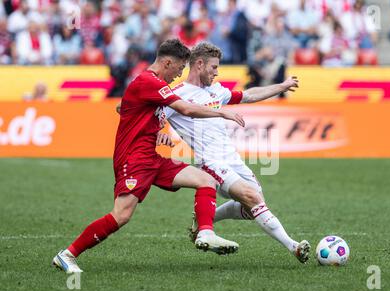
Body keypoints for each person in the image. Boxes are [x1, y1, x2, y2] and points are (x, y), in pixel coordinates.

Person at [52, 39, 246, 273]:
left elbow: (132, 108)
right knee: (121, 215)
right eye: (179, 68)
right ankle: (67, 254)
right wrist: (221, 112)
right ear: (167, 62)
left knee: (206, 180)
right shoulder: (148, 81)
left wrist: (158, 132)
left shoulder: (151, 84)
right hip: (133, 160)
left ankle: (206, 233)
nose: (179, 74)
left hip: (152, 157)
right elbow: (184, 108)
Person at [163, 42, 311, 264]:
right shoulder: (177, 95)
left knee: (253, 207)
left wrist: (280, 86)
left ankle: (206, 216)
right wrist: (159, 132)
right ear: (200, 64)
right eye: (213, 67)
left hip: (233, 159)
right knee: (252, 198)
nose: (216, 72)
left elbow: (249, 95)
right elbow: (150, 113)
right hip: (210, 163)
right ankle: (294, 247)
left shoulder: (217, 91)